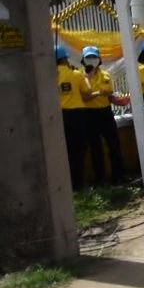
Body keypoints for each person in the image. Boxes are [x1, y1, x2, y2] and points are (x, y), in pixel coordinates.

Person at [80, 46, 126, 185]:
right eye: (88, 58)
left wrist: (117, 100)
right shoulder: (80, 76)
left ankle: (119, 177)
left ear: (99, 59)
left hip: (105, 112)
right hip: (89, 114)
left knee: (114, 145)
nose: (92, 60)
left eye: (94, 57)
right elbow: (84, 98)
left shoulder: (106, 75)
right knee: (95, 148)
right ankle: (100, 179)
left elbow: (110, 95)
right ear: (83, 60)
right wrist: (98, 92)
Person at [55, 46, 92, 190]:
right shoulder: (76, 75)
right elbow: (87, 94)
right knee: (79, 150)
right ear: (65, 59)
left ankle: (66, 186)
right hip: (77, 115)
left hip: (59, 116)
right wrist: (87, 79)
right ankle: (78, 185)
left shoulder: (49, 76)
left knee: (65, 152)